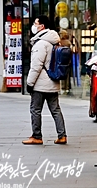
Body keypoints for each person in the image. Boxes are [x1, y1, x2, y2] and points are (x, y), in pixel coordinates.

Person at [23, 15, 67, 145]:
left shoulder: (41, 43)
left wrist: (30, 83)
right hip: (53, 81)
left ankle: (36, 136)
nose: (33, 26)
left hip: (40, 83)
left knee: (35, 109)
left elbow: (36, 66)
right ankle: (62, 135)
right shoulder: (54, 41)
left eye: (35, 23)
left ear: (42, 26)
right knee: (55, 109)